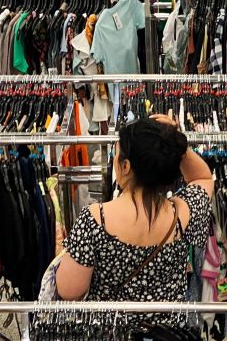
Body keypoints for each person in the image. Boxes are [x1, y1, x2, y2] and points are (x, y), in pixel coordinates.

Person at [55, 115, 213, 302]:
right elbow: (202, 178)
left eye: (117, 155)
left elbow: (69, 291)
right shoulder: (183, 214)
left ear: (126, 166)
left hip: (110, 330)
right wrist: (176, 142)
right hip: (167, 330)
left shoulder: (95, 219)